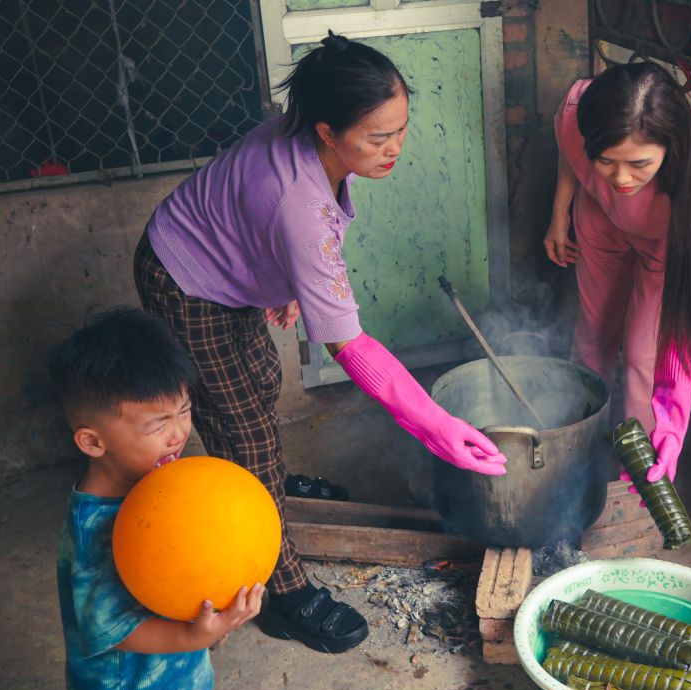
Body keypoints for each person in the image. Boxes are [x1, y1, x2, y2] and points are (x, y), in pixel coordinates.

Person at [134, 32, 507, 654]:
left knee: (260, 381)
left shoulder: (309, 135)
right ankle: (283, 592)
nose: (394, 148)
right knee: (242, 429)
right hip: (186, 278)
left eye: (401, 129)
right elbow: (349, 346)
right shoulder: (299, 205)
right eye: (377, 137)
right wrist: (436, 425)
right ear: (328, 132)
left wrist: (291, 284)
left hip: (229, 264)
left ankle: (269, 487)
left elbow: (288, 229)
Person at [51, 307, 264, 690]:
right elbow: (110, 628)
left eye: (183, 411)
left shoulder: (167, 489)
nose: (178, 433)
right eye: (157, 424)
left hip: (182, 687)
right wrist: (195, 637)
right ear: (93, 441)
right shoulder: (93, 527)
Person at [543, 61, 691, 485]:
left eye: (640, 163)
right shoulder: (579, 110)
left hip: (665, 246)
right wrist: (559, 216)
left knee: (643, 358)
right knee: (592, 336)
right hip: (600, 220)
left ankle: (639, 481)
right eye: (605, 160)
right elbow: (568, 147)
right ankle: (575, 456)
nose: (621, 177)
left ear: (671, 146)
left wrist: (672, 426)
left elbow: (681, 335)